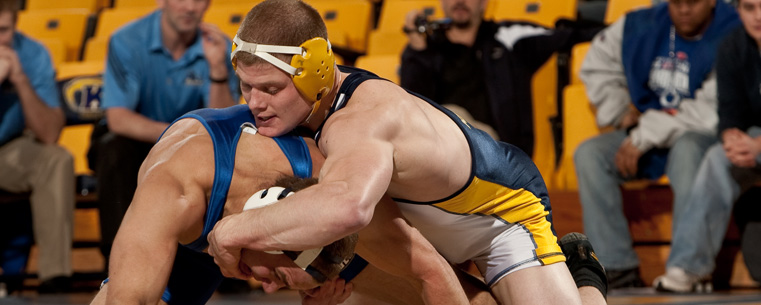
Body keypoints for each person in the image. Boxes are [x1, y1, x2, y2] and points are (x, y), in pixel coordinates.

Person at [206, 1, 608, 304]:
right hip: (422, 217)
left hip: (499, 215)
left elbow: (348, 208)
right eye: (247, 86)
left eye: (271, 89)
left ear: (316, 73)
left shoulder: (359, 120)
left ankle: (583, 272)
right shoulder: (306, 112)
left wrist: (231, 230)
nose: (255, 103)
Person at [88, 104, 483, 305]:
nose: (267, 289)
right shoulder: (177, 186)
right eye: (277, 278)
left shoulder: (338, 181)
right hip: (198, 216)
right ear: (271, 239)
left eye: (278, 282)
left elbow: (433, 274)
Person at [575, 0, 739, 290]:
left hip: (698, 133)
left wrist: (645, 135)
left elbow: (709, 110)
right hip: (643, 135)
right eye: (677, 2)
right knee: (590, 154)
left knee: (688, 149)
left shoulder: (733, 27)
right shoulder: (638, 24)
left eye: (693, 2)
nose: (684, 10)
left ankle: (689, 270)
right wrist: (618, 110)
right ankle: (615, 266)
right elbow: (596, 65)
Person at [88, 0, 240, 266]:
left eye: (198, 0)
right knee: (113, 148)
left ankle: (217, 262)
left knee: (227, 152)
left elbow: (222, 122)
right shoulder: (127, 41)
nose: (190, 8)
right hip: (139, 141)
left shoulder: (220, 46)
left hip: (194, 144)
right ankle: (115, 262)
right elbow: (119, 119)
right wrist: (177, 135)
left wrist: (217, 69)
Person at [650, 0, 761, 292]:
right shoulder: (733, 46)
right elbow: (730, 113)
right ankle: (687, 268)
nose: (758, 16)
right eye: (749, 8)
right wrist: (732, 138)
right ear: (738, 10)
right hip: (751, 142)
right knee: (717, 156)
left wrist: (758, 145)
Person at [400, 0, 601, 154]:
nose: (460, 1)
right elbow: (413, 105)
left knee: (452, 115)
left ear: (484, 3)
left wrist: (624, 29)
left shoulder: (508, 37)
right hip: (439, 146)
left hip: (497, 149)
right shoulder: (427, 50)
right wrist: (419, 51)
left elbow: (570, 35)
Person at [0, 0, 75, 293]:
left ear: (16, 24)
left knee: (56, 159)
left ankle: (55, 276)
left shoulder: (32, 54)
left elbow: (50, 133)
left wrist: (19, 78)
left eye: (3, 30)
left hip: (8, 149)